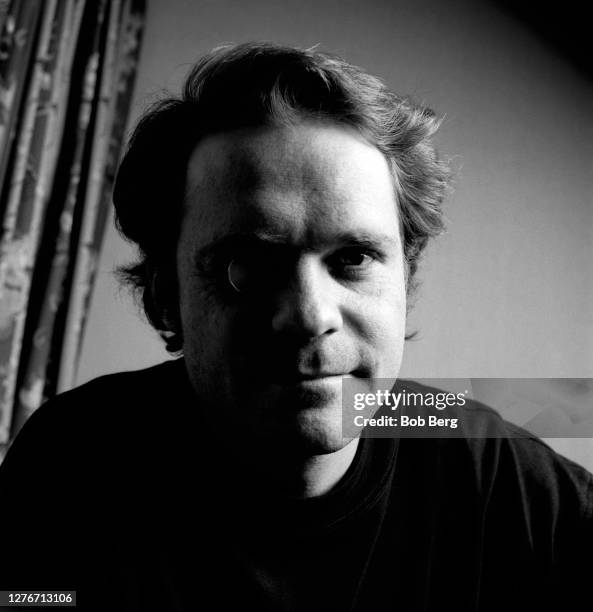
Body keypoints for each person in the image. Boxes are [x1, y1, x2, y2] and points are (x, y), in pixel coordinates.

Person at [0, 42, 591, 611]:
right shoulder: (78, 452)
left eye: (353, 259)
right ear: (166, 296)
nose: (311, 316)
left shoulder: (470, 450)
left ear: (404, 284)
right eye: (247, 266)